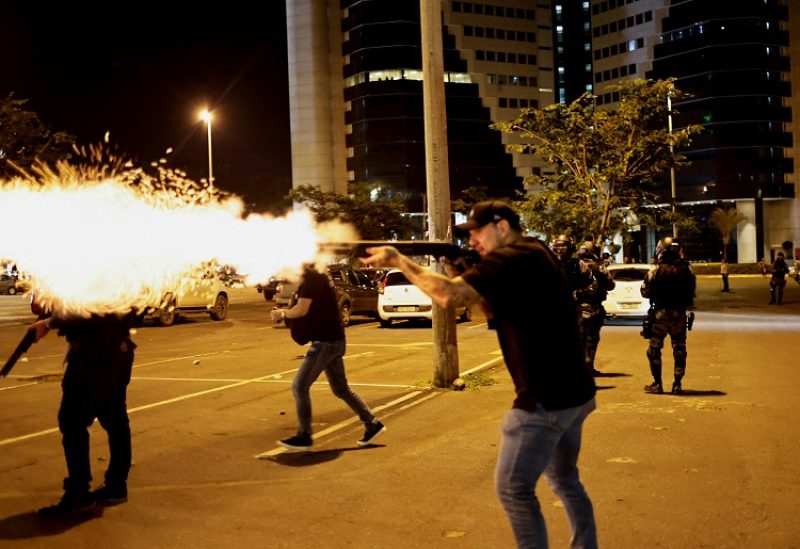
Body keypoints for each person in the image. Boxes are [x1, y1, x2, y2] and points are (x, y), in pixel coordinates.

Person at [362, 200, 598, 549]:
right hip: (574, 392)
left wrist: (399, 261)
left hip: (545, 398)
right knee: (565, 479)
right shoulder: (535, 251)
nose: (472, 241)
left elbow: (449, 296)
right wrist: (463, 268)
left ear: (502, 227)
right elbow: (486, 306)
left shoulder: (511, 258)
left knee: (513, 488)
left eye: (476, 232)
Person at [29, 311, 138, 517]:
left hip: (95, 355)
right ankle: (116, 485)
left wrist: (48, 323)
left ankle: (78, 494)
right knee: (114, 418)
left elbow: (85, 305)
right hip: (116, 349)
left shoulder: (96, 280)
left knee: (72, 422)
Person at [270, 263, 385, 451]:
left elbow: (302, 309)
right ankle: (372, 423)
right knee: (341, 389)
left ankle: (304, 435)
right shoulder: (320, 273)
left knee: (299, 387)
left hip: (325, 342)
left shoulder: (312, 276)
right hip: (334, 339)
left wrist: (282, 313)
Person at [640, 237, 696, 395]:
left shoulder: (656, 270)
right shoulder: (687, 269)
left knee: (654, 350)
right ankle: (677, 385)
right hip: (679, 314)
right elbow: (691, 292)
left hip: (661, 315)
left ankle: (657, 384)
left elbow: (645, 291)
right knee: (679, 349)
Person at [577, 241, 616, 376]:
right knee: (591, 339)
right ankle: (587, 367)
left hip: (576, 307)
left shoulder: (575, 265)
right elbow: (611, 285)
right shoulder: (598, 267)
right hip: (592, 307)